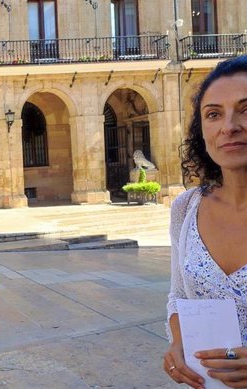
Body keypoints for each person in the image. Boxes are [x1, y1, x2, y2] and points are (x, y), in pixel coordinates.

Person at [164, 54, 247, 388]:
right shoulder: (186, 208)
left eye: (246, 108)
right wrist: (179, 343)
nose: (229, 126)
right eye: (213, 114)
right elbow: (178, 296)